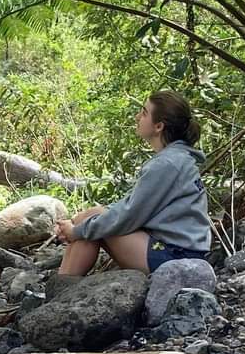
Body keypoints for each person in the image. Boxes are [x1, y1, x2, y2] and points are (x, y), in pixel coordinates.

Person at [54, 90, 210, 276]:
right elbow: (131, 205)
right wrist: (77, 226)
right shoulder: (175, 158)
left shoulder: (167, 164)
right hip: (180, 252)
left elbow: (128, 216)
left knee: (88, 225)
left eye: (144, 113)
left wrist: (77, 231)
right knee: (91, 215)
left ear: (159, 126)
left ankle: (63, 289)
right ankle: (63, 283)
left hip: (177, 259)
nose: (138, 116)